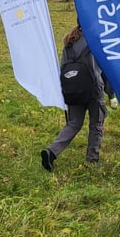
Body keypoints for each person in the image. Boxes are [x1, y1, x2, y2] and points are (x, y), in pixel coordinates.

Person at [41, 25, 107, 171]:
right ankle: (92, 159)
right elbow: (102, 67)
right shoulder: (95, 40)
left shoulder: (69, 41)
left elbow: (63, 67)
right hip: (93, 90)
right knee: (96, 124)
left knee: (73, 124)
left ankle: (51, 151)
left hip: (73, 89)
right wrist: (108, 90)